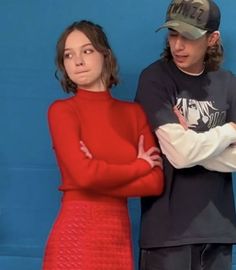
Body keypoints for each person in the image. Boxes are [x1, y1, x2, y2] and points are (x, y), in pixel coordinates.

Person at [42, 20, 163, 270]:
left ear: (105, 55)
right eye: (68, 55)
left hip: (117, 236)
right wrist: (139, 165)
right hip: (74, 236)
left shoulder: (133, 113)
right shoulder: (62, 111)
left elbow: (155, 183)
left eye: (87, 51)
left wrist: (95, 172)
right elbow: (85, 177)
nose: (77, 61)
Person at [135, 0, 236, 269]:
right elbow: (180, 155)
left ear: (212, 39)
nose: (178, 45)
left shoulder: (228, 83)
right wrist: (227, 131)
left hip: (219, 230)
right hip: (166, 233)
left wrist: (192, 144)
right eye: (172, 34)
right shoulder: (155, 79)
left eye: (189, 37)